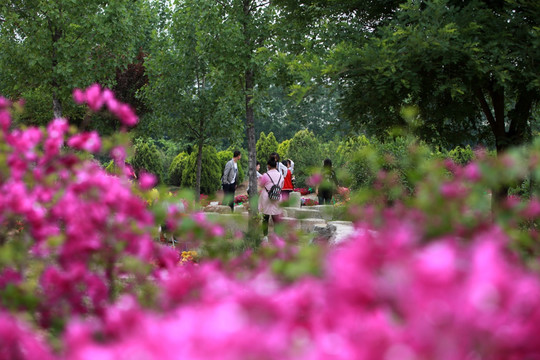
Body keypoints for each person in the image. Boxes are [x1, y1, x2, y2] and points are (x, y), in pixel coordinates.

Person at [259, 157, 284, 242]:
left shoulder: (265, 175)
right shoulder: (281, 175)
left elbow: (261, 185)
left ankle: (265, 236)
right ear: (276, 166)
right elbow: (281, 186)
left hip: (266, 197)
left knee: (265, 217)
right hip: (277, 197)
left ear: (268, 166)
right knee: (276, 217)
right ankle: (276, 236)